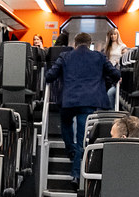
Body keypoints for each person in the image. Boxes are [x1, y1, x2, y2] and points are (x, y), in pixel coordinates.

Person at [45, 32, 121, 185]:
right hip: (88, 101)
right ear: (89, 43)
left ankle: (71, 151)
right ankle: (75, 174)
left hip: (68, 100)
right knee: (82, 137)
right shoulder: (99, 57)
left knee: (65, 125)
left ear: (75, 43)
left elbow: (50, 76)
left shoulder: (65, 56)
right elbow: (115, 73)